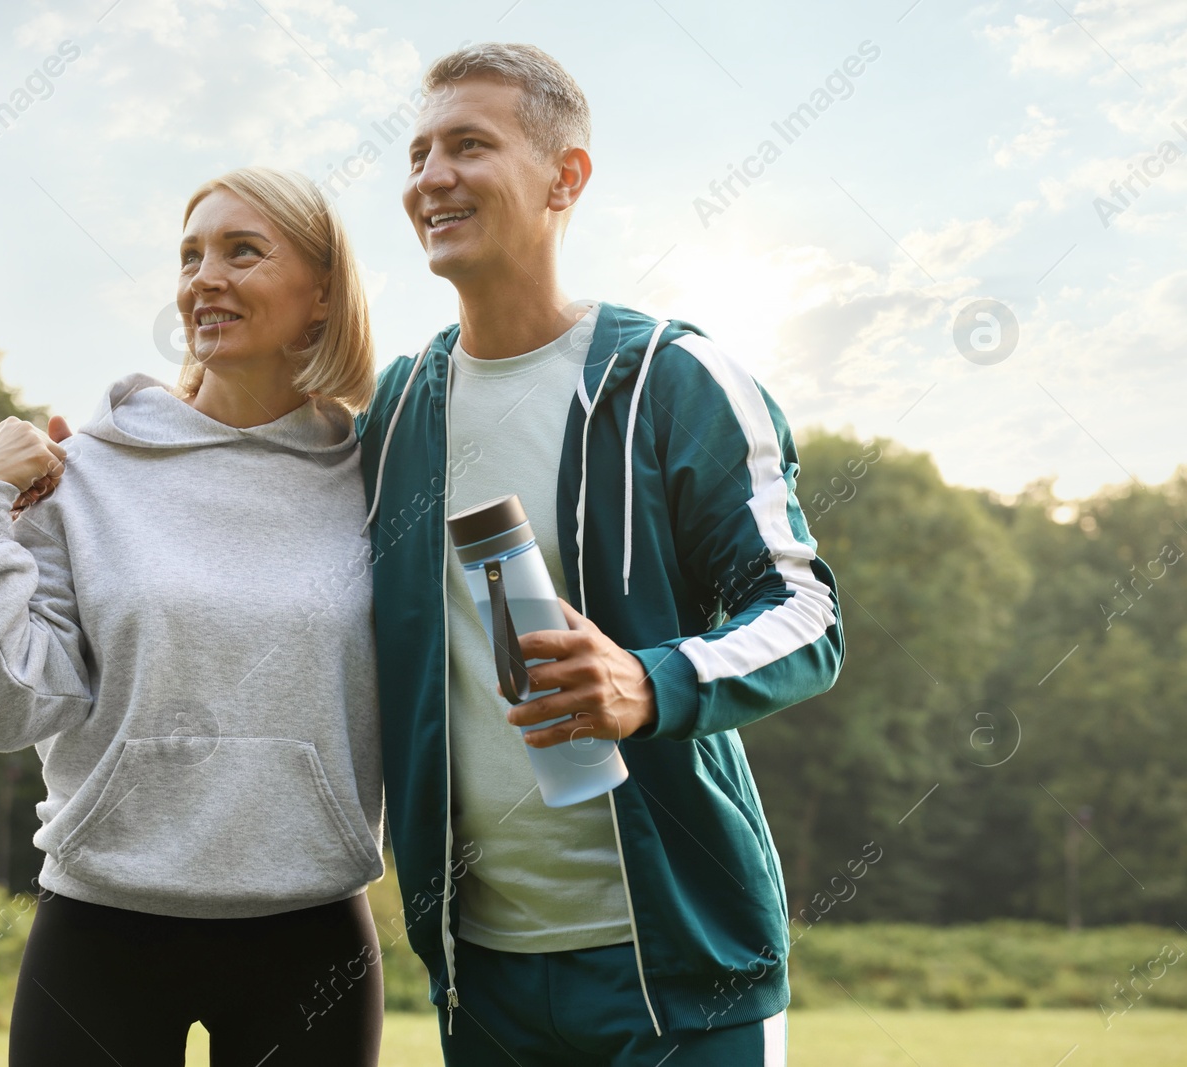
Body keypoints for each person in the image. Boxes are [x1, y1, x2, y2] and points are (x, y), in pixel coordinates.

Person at [355, 43, 844, 1066]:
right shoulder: (395, 411)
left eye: (468, 145)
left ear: (564, 177)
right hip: (479, 973)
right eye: (417, 154)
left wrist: (647, 679)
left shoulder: (675, 379)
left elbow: (804, 615)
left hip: (683, 973)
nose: (430, 178)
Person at [0, 167, 387, 1067]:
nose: (202, 279)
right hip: (104, 927)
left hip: (311, 930)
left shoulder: (382, 476)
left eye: (241, 251)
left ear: (324, 295)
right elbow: (5, 709)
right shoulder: (85, 470)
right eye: (189, 256)